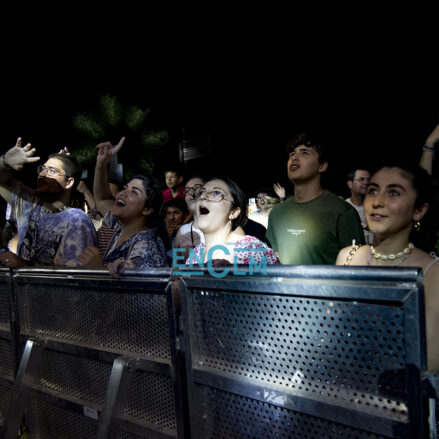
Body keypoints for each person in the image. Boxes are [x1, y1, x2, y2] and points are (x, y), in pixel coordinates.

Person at [336, 162, 439, 372]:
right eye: (373, 191)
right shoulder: (348, 257)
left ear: (419, 210)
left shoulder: (432, 273)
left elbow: (429, 365)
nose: (377, 202)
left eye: (393, 193)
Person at [266, 133, 365, 265]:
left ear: (322, 166)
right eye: (291, 154)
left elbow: (357, 267)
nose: (294, 157)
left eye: (304, 153)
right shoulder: (277, 213)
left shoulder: (342, 212)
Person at [0, 138, 97, 267]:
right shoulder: (28, 207)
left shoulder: (77, 220)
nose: (42, 174)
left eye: (51, 171)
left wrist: (25, 265)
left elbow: (75, 276)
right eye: (42, 169)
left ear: (69, 182)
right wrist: (4, 162)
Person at [79, 138, 167, 277]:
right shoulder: (121, 227)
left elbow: (139, 298)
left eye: (134, 192)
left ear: (147, 209)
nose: (123, 193)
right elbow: (102, 199)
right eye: (125, 188)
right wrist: (101, 163)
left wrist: (97, 269)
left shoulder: (146, 250)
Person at [186, 176, 279, 266]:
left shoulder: (252, 250)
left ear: (233, 212)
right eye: (201, 192)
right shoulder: (195, 255)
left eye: (216, 193)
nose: (203, 197)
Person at [173, 176, 205, 261]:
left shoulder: (222, 227)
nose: (191, 193)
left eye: (197, 188)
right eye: (187, 191)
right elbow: (176, 266)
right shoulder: (183, 231)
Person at [345, 168, 374, 244]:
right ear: (350, 184)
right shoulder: (344, 207)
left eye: (368, 180)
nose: (366, 182)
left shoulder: (376, 206)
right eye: (361, 179)